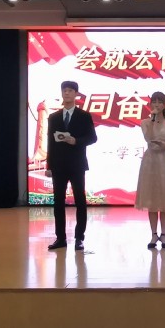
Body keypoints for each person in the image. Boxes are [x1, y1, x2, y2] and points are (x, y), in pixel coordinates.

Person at [45, 81, 97, 251]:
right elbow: (50, 143)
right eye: (64, 90)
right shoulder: (54, 117)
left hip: (77, 164)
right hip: (58, 165)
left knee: (80, 201)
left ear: (76, 94)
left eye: (70, 90)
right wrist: (49, 165)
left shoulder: (84, 116)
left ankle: (79, 238)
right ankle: (60, 238)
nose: (66, 93)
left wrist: (76, 141)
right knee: (58, 201)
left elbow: (92, 138)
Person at [134, 91, 165, 249]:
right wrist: (152, 120)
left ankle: (164, 235)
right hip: (150, 160)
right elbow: (148, 138)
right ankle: (154, 234)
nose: (157, 105)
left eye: (160, 102)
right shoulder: (145, 122)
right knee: (151, 199)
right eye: (154, 102)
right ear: (150, 104)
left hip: (164, 160)